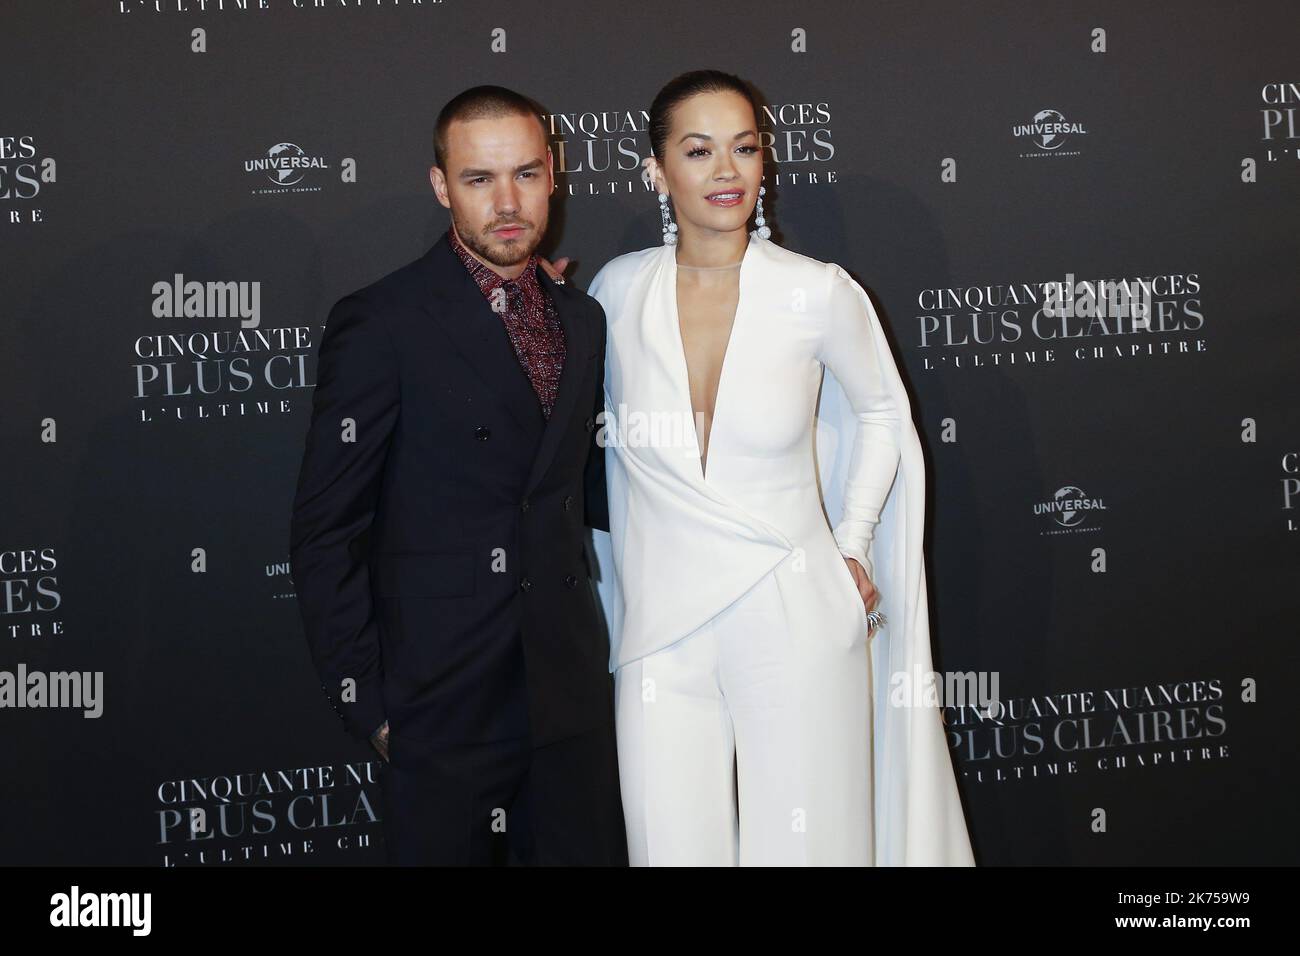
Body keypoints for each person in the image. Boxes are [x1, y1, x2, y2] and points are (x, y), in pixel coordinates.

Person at [586, 70, 976, 865]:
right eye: (698, 151)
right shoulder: (616, 291)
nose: (726, 171)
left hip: (792, 610)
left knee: (810, 849)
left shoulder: (816, 293)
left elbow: (881, 413)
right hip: (659, 626)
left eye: (744, 148)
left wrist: (855, 541)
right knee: (670, 848)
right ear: (656, 171)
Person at [289, 85, 626, 866]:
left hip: (570, 697)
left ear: (556, 171)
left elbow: (586, 490)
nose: (507, 202)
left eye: (526, 174)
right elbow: (325, 529)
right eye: (479, 180)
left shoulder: (582, 315)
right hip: (444, 706)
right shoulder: (383, 322)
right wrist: (370, 705)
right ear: (442, 186)